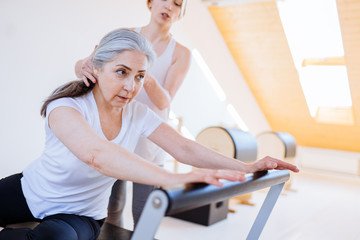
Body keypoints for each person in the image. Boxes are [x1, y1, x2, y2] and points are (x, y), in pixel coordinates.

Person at [0, 29, 299, 240]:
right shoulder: (66, 106)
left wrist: (247, 167)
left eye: (140, 76)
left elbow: (183, 147)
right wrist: (173, 179)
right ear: (98, 67)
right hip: (29, 190)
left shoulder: (138, 114)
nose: (131, 86)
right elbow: (98, 155)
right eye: (122, 72)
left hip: (80, 215)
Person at [74, 0, 192, 227]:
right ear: (150, 2)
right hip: (115, 131)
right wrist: (84, 66)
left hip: (149, 139)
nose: (169, 7)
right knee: (112, 207)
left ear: (181, 13)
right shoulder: (124, 35)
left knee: (144, 212)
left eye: (177, 4)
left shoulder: (181, 53)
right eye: (164, 0)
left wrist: (143, 76)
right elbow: (85, 65)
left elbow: (164, 100)